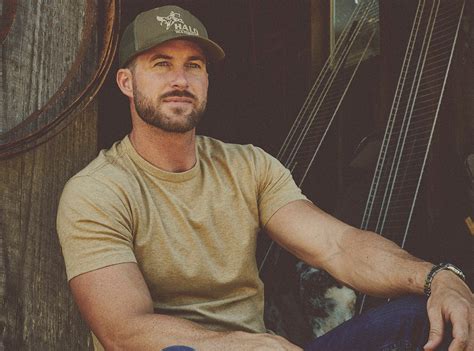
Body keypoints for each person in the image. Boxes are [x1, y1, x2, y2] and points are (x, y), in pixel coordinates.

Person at [56, 5, 473, 351]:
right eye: (161, 64)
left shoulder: (248, 166)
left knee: (426, 314)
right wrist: (243, 344)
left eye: (193, 65)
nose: (180, 80)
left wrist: (437, 278)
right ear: (127, 82)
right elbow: (123, 330)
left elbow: (337, 246)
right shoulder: (98, 192)